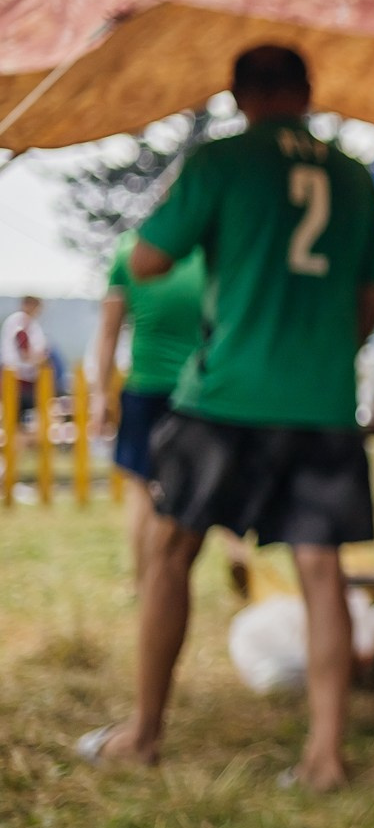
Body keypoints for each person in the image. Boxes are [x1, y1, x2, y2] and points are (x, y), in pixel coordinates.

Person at [77, 45, 374, 792]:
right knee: (320, 570)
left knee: (170, 552)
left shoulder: (222, 160)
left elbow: (147, 260)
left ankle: (145, 733)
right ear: (307, 92)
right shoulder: (352, 175)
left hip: (225, 396)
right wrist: (322, 349)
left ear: (239, 93)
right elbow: (372, 298)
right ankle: (325, 757)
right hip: (319, 399)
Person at [91, 230, 254, 594]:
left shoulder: (128, 253)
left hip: (145, 387)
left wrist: (101, 394)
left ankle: (142, 582)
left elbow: (108, 332)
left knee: (142, 489)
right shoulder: (207, 254)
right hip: (199, 390)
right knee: (216, 478)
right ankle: (236, 548)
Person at [2, 294, 50, 422]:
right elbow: (25, 352)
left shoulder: (29, 324)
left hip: (26, 378)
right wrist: (39, 358)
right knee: (15, 417)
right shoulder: (20, 322)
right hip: (18, 378)